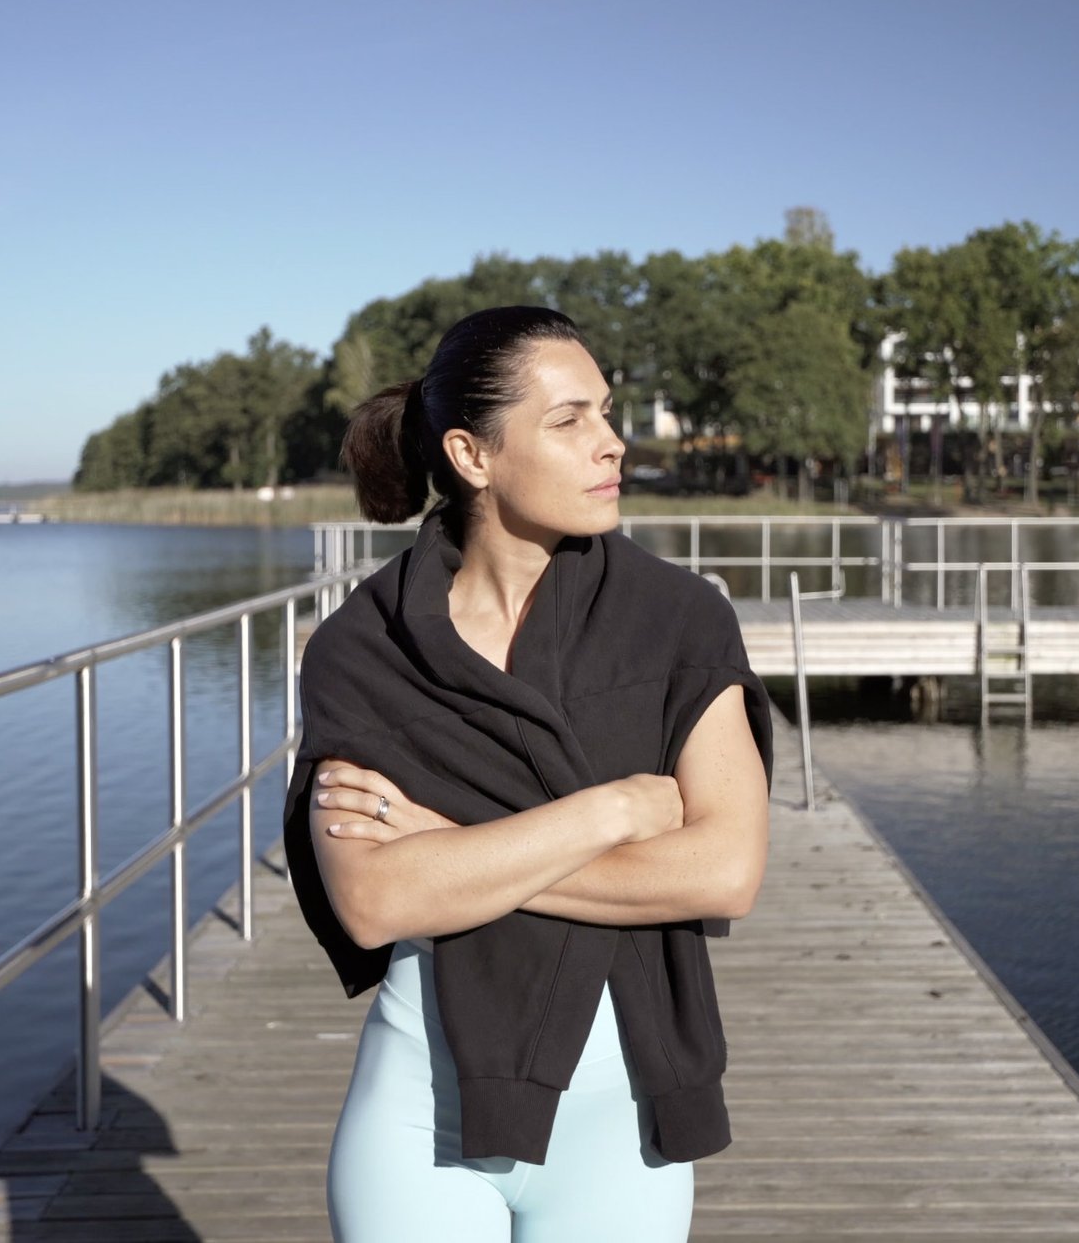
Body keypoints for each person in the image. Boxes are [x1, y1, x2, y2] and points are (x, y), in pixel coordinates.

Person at [281, 305, 774, 1243]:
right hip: (422, 1108)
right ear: (472, 455)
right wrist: (617, 809)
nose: (613, 444)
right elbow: (377, 902)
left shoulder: (680, 620)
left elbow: (724, 871)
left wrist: (456, 856)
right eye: (570, 420)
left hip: (622, 1119)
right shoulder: (363, 649)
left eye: (607, 413)